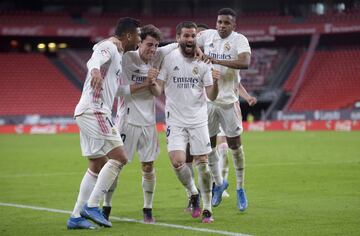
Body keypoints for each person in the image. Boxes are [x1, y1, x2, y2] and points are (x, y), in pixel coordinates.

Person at [67, 17, 141, 230]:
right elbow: (94, 58)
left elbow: (118, 90)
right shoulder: (109, 45)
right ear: (127, 35)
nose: (138, 39)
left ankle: (75, 217)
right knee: (119, 158)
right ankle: (91, 206)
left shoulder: (118, 55)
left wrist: (143, 85)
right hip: (95, 110)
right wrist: (95, 71)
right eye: (137, 35)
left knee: (96, 165)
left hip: (89, 111)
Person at [105, 24, 178, 224]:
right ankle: (106, 207)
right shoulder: (127, 59)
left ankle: (147, 208)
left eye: (155, 46)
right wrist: (144, 83)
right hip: (126, 122)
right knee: (116, 165)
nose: (153, 50)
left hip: (148, 124)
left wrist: (196, 45)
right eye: (149, 45)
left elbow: (175, 45)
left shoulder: (157, 57)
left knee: (148, 166)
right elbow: (116, 91)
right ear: (140, 43)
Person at [151, 21, 220, 223]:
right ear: (178, 38)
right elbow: (158, 90)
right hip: (176, 120)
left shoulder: (204, 62)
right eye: (186, 36)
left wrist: (216, 81)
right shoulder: (168, 58)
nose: (190, 39)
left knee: (203, 165)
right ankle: (193, 192)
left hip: (199, 119)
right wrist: (151, 82)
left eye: (193, 36)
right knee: (177, 161)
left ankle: (207, 209)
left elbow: (212, 96)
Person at [197, 7, 252, 211]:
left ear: (233, 25)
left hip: (229, 102)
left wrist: (216, 61)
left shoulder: (240, 40)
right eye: (219, 21)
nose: (221, 25)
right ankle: (219, 184)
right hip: (208, 102)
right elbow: (187, 42)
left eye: (226, 23)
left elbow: (245, 62)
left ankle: (240, 188)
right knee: (209, 146)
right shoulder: (207, 36)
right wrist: (200, 53)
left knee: (235, 145)